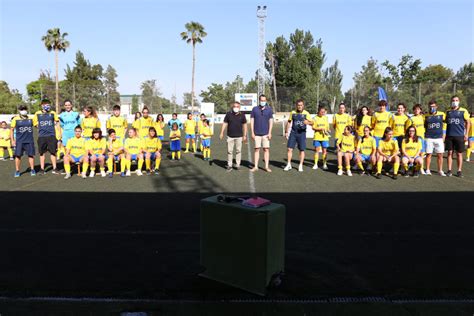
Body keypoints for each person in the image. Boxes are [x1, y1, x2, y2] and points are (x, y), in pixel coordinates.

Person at [284, 99, 313, 172]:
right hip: (293, 133)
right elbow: (289, 121)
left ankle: (300, 165)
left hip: (302, 134)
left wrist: (308, 122)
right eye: (298, 105)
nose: (299, 106)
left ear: (303, 106)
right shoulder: (293, 112)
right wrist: (286, 131)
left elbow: (312, 122)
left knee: (301, 150)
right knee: (289, 149)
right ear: (296, 106)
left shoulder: (306, 113)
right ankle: (288, 164)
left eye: (301, 105)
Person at [33, 98, 61, 174]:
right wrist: (40, 127)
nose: (47, 106)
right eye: (46, 105)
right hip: (42, 136)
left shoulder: (53, 113)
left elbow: (57, 123)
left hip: (51, 135)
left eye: (49, 105)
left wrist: (59, 134)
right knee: (42, 153)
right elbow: (35, 124)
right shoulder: (37, 113)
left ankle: (55, 168)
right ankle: (42, 169)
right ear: (42, 105)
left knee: (53, 152)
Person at [445, 95, 471, 177]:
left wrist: (466, 134)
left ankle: (459, 171)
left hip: (459, 135)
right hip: (449, 135)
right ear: (451, 101)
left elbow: (468, 122)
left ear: (459, 101)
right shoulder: (448, 111)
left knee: (459, 153)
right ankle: (449, 170)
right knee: (449, 153)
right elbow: (445, 121)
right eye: (453, 100)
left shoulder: (464, 111)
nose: (454, 101)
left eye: (456, 100)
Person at [219, 101, 247, 171]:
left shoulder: (242, 115)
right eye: (234, 106)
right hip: (230, 136)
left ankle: (237, 164)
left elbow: (245, 125)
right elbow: (225, 123)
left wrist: (245, 135)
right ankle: (229, 165)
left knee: (238, 151)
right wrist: (221, 132)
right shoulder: (228, 114)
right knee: (229, 151)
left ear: (239, 107)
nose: (236, 108)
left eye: (237, 107)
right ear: (232, 107)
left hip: (239, 136)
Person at [250, 94, 273, 172]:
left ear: (266, 101)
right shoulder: (254, 109)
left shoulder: (269, 109)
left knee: (266, 149)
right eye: (261, 100)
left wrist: (270, 132)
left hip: (266, 134)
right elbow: (252, 121)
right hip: (257, 134)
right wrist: (252, 132)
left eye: (264, 100)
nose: (263, 101)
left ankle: (266, 166)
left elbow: (271, 121)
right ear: (259, 100)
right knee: (257, 149)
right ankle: (255, 166)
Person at [11, 105, 36, 177]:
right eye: (22, 109)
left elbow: (37, 126)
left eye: (24, 109)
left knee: (30, 155)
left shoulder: (31, 119)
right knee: (18, 156)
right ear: (19, 110)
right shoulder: (15, 119)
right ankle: (17, 170)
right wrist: (12, 140)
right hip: (19, 141)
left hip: (29, 141)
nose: (23, 110)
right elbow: (11, 130)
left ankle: (32, 169)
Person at [424, 100, 446, 176]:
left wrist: (444, 135)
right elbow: (424, 126)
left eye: (433, 106)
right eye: (430, 107)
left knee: (440, 154)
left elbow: (445, 125)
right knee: (428, 154)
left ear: (436, 106)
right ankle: (427, 169)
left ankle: (440, 170)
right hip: (429, 137)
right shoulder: (425, 116)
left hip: (439, 138)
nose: (432, 108)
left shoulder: (442, 114)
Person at [406, 104, 426, 174]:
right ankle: (409, 166)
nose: (416, 110)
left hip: (422, 138)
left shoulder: (423, 117)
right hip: (414, 138)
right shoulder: (411, 119)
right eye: (415, 109)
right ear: (413, 110)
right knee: (412, 152)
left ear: (420, 110)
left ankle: (421, 168)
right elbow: (407, 129)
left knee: (421, 153)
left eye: (418, 109)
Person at [312, 106, 330, 170]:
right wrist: (320, 129)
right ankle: (315, 164)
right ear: (318, 111)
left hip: (325, 137)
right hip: (317, 137)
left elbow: (327, 128)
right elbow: (313, 127)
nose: (323, 113)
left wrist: (328, 131)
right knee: (316, 151)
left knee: (324, 151)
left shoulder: (326, 118)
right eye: (321, 112)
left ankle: (324, 164)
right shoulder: (314, 118)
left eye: (324, 112)